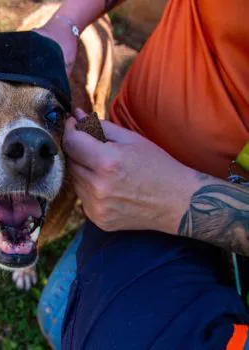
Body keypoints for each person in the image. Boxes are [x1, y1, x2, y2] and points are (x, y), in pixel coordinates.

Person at [33, 0, 249, 348]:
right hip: (127, 154)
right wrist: (68, 21)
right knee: (59, 315)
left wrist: (176, 202)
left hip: (196, 217)